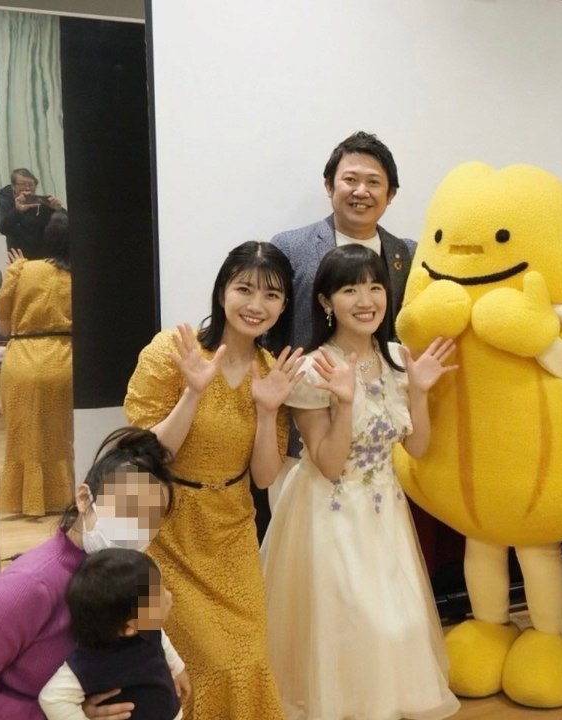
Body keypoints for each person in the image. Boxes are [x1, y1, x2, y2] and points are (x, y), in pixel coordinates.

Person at [261, 245, 460, 720]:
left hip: (384, 510)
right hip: (330, 515)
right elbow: (329, 464)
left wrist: (420, 392)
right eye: (350, 289)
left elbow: (416, 448)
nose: (366, 300)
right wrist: (346, 403)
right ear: (326, 301)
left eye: (375, 287)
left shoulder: (397, 356)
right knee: (351, 624)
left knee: (396, 623)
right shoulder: (312, 369)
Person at [124, 241, 304, 719]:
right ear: (223, 290)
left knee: (249, 658)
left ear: (284, 305)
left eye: (271, 295)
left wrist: (267, 411)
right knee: (206, 663)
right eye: (244, 289)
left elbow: (264, 476)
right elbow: (149, 453)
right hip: (167, 529)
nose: (256, 304)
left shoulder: (271, 372)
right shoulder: (174, 350)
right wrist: (192, 392)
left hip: (232, 532)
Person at [0, 427, 177, 720]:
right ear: (84, 498)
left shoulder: (126, 576)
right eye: (128, 506)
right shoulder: (28, 585)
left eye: (151, 517)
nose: (136, 525)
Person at [271, 132, 415, 349]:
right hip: (306, 369)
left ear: (390, 194)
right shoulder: (290, 248)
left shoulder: (407, 254)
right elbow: (268, 330)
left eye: (373, 182)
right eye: (350, 180)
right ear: (329, 186)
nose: (361, 191)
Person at [39, 548, 191, 720]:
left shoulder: (147, 627)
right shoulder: (91, 662)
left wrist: (178, 668)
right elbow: (52, 698)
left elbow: (162, 641)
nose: (169, 596)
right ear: (130, 627)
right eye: (159, 597)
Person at [0, 211, 73, 516]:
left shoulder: (22, 269)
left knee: (23, 435)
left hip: (21, 359)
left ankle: (28, 502)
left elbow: (2, 326)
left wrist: (16, 268)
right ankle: (64, 496)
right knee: (61, 433)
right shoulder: (81, 276)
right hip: (64, 357)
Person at [0, 168, 65, 257]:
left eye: (31, 185)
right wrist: (17, 210)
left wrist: (59, 209)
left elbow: (64, 225)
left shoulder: (43, 204)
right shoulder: (6, 202)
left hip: (43, 258)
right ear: (13, 187)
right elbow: (3, 228)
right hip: (18, 258)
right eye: (23, 184)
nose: (27, 188)